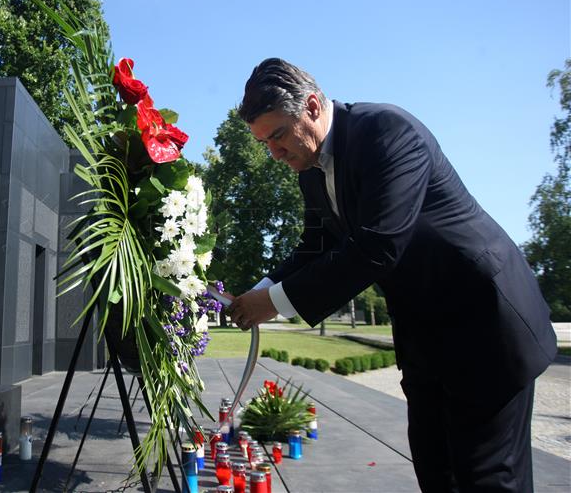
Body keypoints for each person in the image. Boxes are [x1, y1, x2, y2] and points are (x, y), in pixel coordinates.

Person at [226, 57, 557, 492]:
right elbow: (315, 248)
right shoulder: (311, 173)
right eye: (264, 143)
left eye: (279, 136)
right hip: (426, 337)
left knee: (488, 478)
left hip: (484, 325)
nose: (274, 153)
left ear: (311, 107)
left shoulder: (387, 131)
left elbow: (379, 245)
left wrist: (271, 305)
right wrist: (258, 293)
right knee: (436, 473)